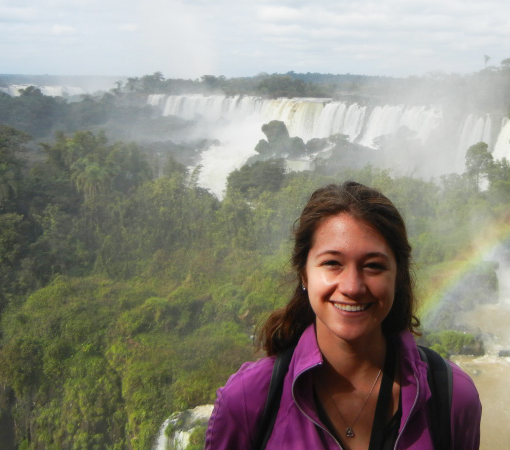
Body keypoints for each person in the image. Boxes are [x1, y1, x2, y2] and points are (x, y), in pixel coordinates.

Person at [204, 181, 482, 450]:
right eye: (332, 263)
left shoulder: (451, 398)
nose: (352, 287)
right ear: (304, 273)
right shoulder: (248, 400)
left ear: (398, 276)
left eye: (373, 266)